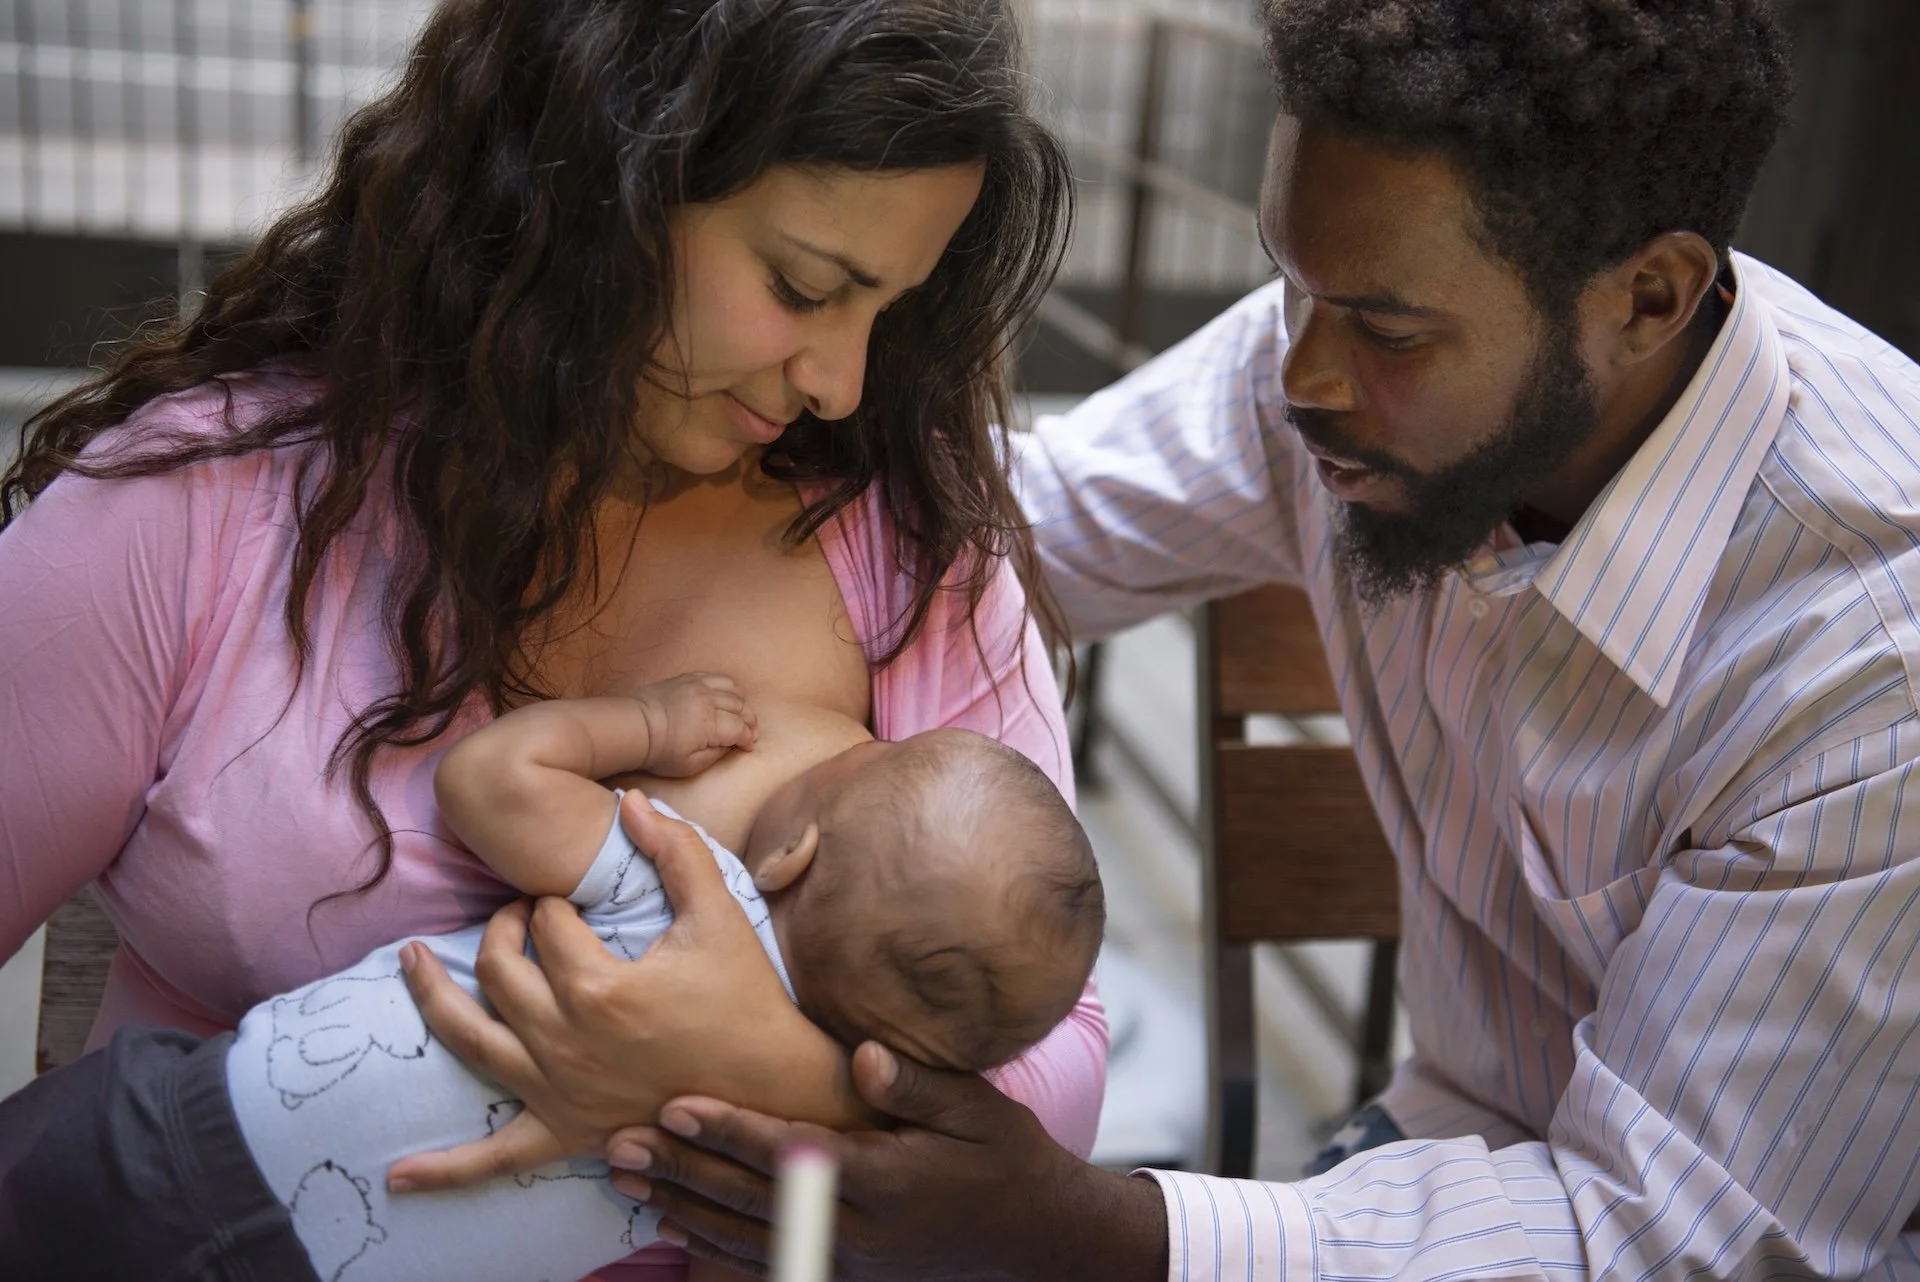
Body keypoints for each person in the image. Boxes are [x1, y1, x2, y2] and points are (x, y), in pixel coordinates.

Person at [403, 1, 1920, 1279]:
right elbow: (997, 534)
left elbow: (1676, 1238)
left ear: (1649, 294)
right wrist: (655, 454)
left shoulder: (1871, 657)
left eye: (1385, 328)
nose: (1301, 373)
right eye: (1289, 283)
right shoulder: (1335, 378)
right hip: (1422, 1161)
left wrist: (1088, 1225)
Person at [0, 2, 1105, 1280]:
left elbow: (1058, 1059)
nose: (845, 384)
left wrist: (755, 1065)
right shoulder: (201, 511)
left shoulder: (911, 562)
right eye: (805, 287)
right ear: (601, 194)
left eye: (889, 310)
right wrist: (817, 1100)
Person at [143, 673, 1097, 1282]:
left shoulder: (690, 886)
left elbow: (487, 782)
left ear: (791, 853)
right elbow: (771, 1260)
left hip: (194, 1130)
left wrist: (645, 720)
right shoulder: (790, 1155)